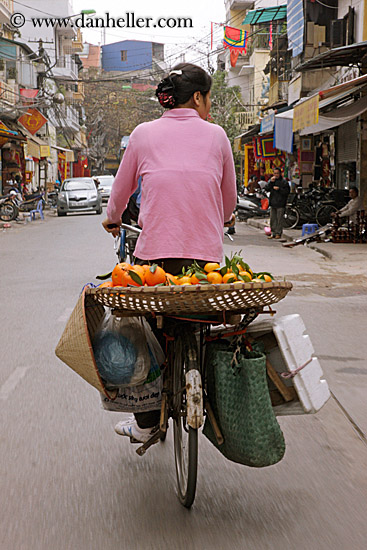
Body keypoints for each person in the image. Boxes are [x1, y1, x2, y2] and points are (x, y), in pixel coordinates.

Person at [102, 63, 237, 443]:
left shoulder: (142, 135)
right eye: (208, 97)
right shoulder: (218, 136)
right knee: (205, 322)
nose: (208, 105)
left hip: (154, 263)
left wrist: (113, 220)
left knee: (142, 334)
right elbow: (228, 204)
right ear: (198, 98)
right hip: (206, 265)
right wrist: (219, 219)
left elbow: (119, 194)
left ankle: (144, 422)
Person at [265, 167, 290, 239]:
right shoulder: (272, 181)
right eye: (274, 173)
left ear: (280, 174)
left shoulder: (284, 182)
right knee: (273, 219)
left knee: (279, 219)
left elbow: (286, 192)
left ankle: (278, 233)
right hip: (273, 202)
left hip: (280, 203)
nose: (276, 175)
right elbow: (267, 188)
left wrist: (279, 189)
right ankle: (273, 232)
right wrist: (270, 182)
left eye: (277, 173)